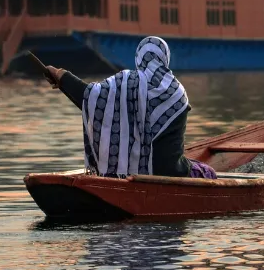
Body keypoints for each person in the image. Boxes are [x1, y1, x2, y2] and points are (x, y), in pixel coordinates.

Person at [44, 36, 218, 179]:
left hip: (125, 173)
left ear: (139, 58)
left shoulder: (123, 84)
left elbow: (89, 96)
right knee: (208, 172)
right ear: (165, 57)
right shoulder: (177, 92)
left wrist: (61, 76)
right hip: (171, 172)